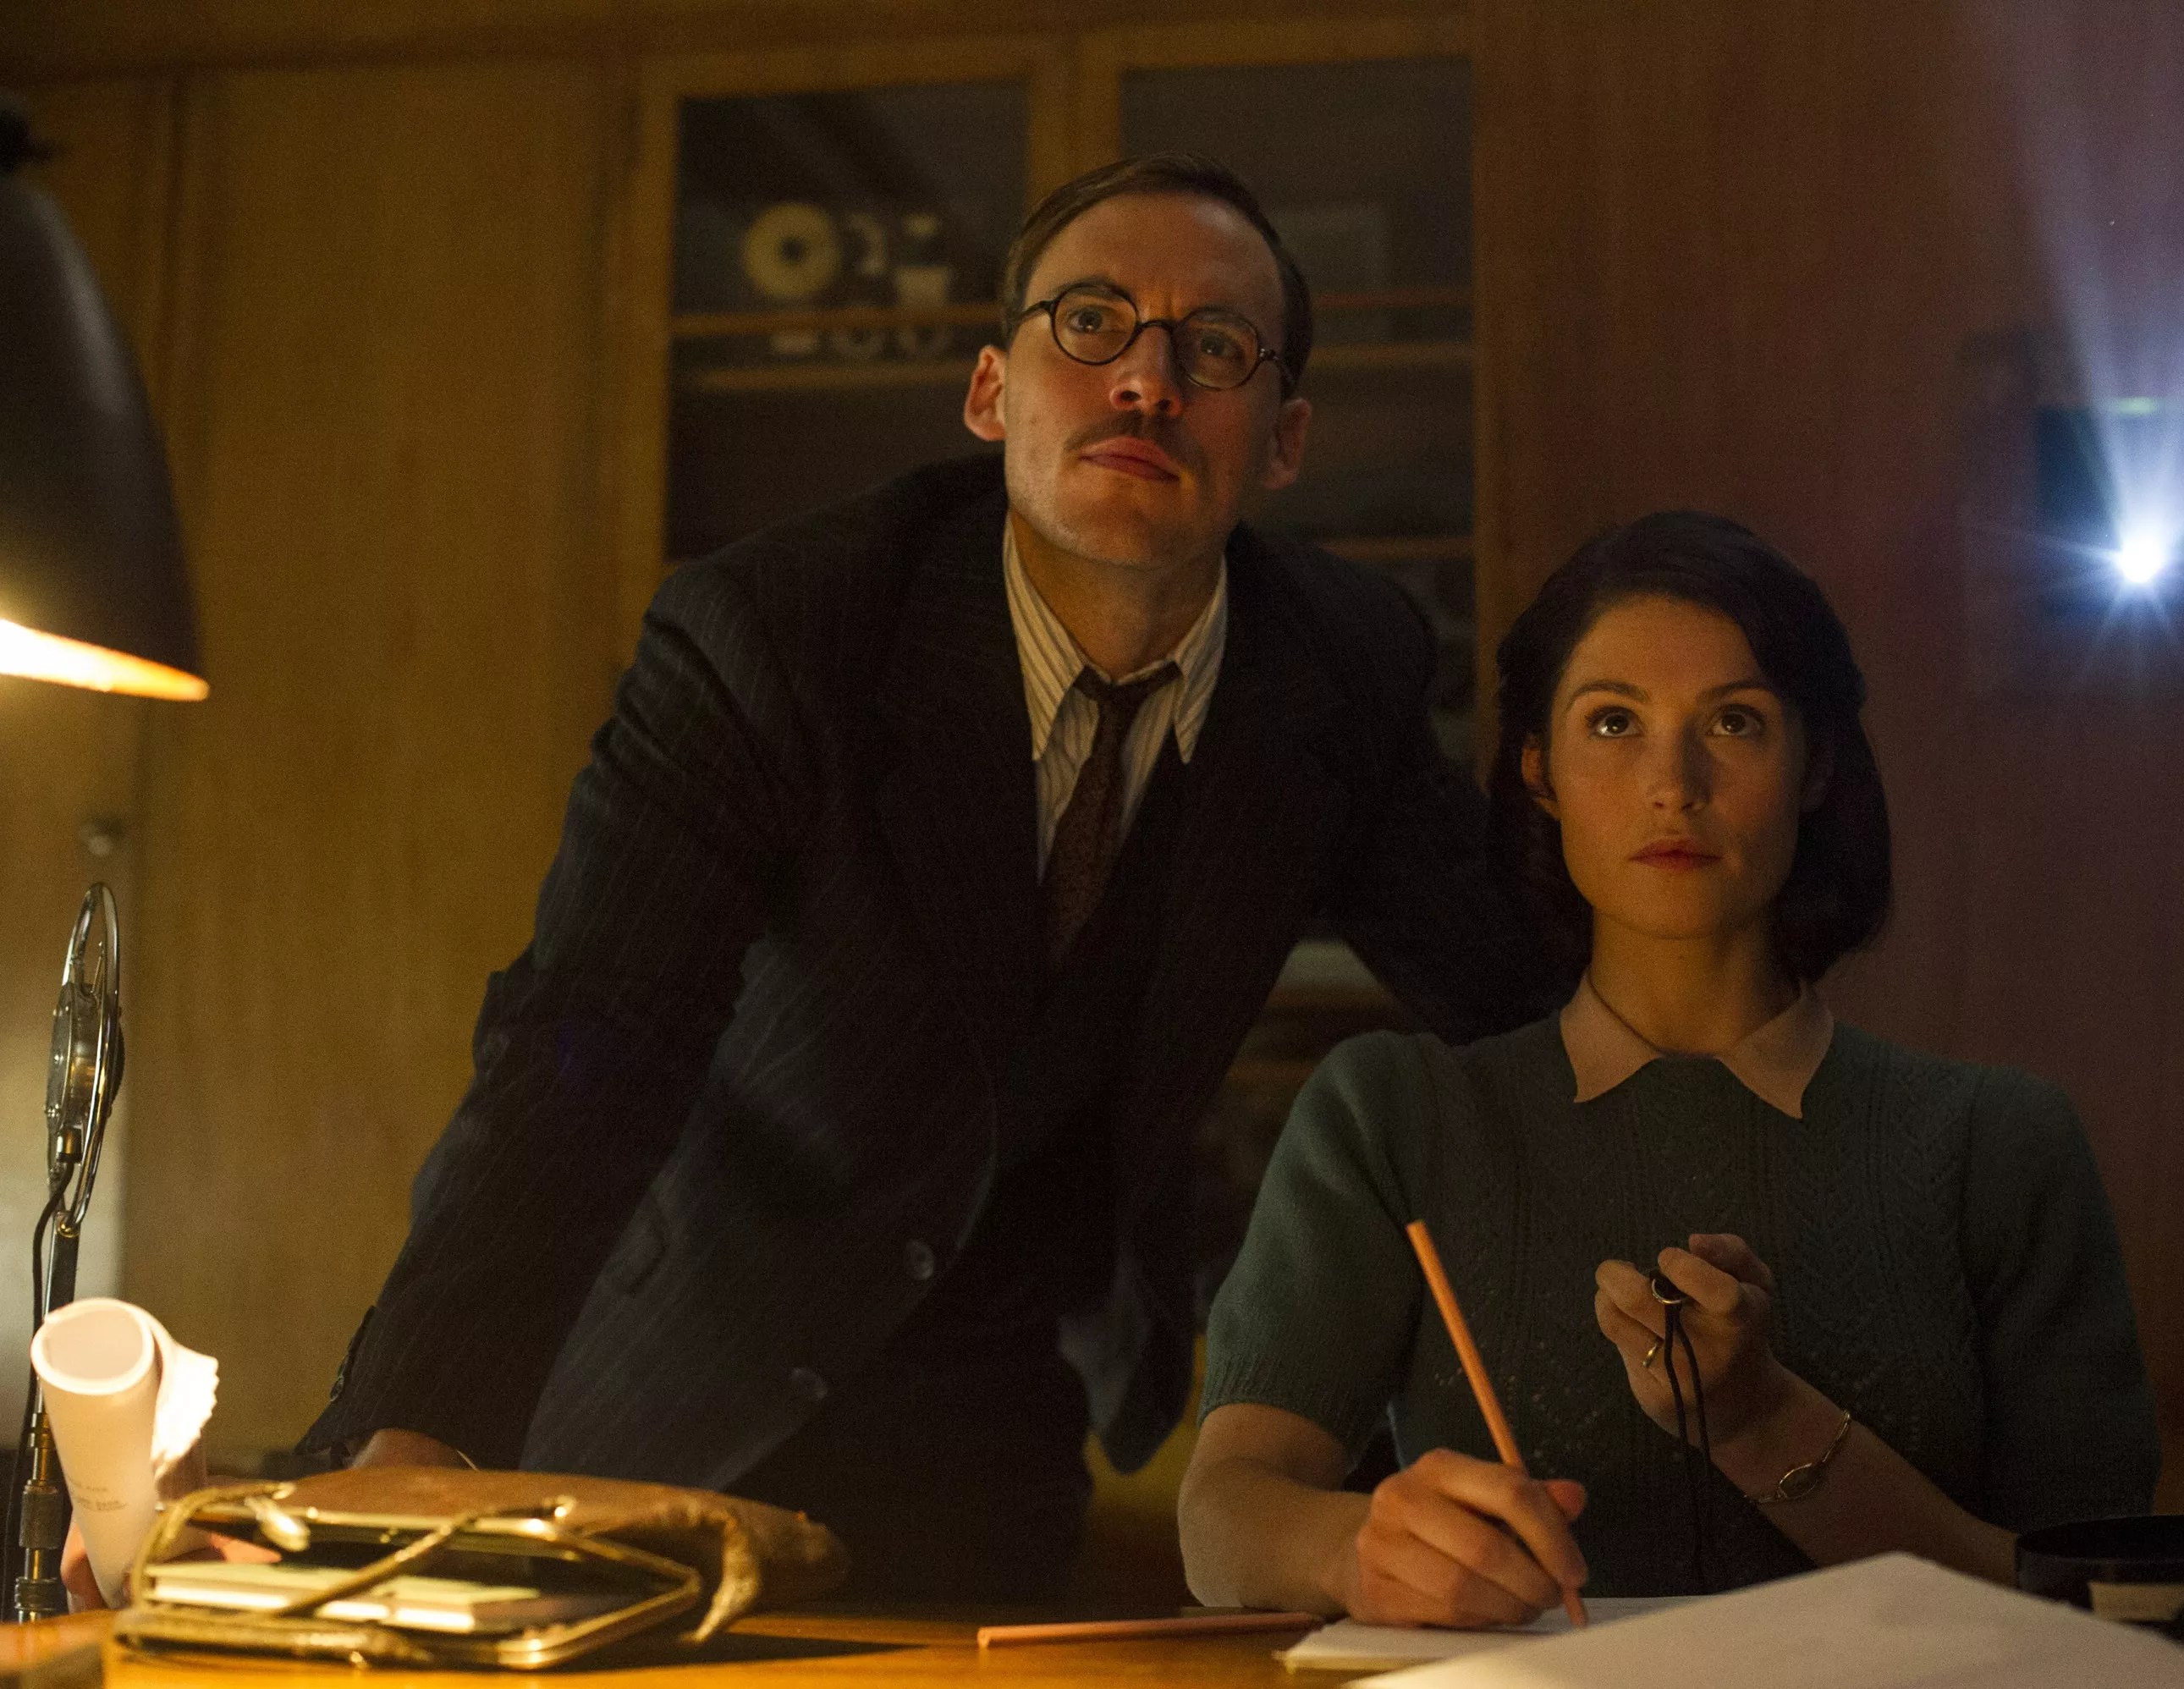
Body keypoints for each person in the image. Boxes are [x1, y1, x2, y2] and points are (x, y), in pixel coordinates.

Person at [300, 153, 1560, 1599]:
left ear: (1283, 440)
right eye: (1090, 322)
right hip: (671, 1384)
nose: (1146, 381)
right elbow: (590, 1036)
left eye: (1214, 347)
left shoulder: (1337, 666)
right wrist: (420, 1419)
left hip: (1002, 1409)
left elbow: (1513, 1007)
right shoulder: (777, 635)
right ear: (990, 395)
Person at [1179, 511, 2159, 1624]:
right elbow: (1223, 1519)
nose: (1672, 784)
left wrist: (1762, 1421)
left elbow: (2098, 1601)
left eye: (1734, 722)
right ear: (1539, 769)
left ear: (1815, 765)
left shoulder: (1998, 1146)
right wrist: (1356, 1551)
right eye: (1613, 722)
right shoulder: (1396, 1118)